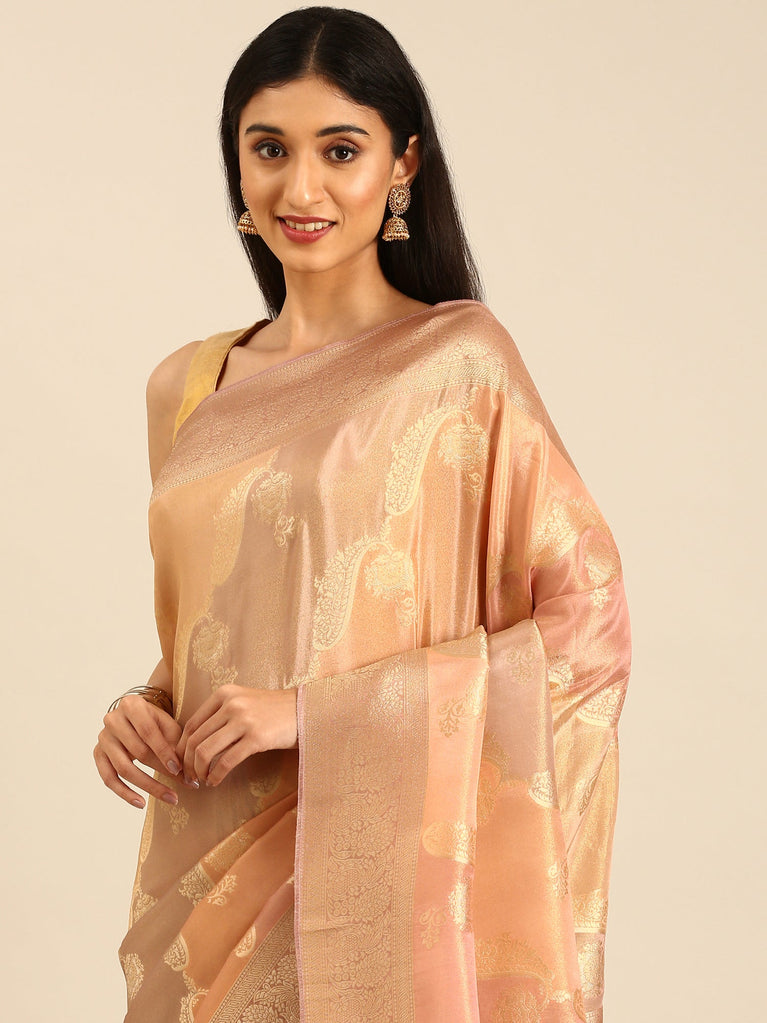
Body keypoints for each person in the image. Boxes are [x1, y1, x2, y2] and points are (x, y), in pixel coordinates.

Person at [93, 7, 631, 1022]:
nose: (301, 190)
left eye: (339, 150)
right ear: (235, 162)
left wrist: (312, 714)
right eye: (269, 149)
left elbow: (589, 624)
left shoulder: (457, 363)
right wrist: (145, 705)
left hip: (378, 864)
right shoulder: (186, 386)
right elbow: (220, 624)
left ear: (402, 164)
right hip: (207, 867)